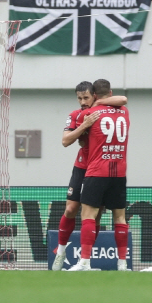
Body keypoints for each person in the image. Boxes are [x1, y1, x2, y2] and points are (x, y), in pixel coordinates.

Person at [52, 81, 128, 271]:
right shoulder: (77, 115)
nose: (83, 102)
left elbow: (122, 99)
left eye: (86, 97)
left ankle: (85, 261)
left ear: (94, 96)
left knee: (94, 216)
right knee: (71, 209)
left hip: (98, 169)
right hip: (83, 167)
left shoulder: (102, 109)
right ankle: (60, 252)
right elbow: (65, 140)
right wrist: (84, 126)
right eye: (79, 98)